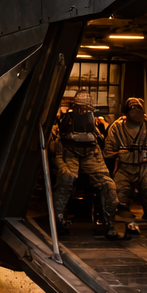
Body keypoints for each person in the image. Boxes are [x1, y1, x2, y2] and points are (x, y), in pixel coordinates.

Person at [50, 91, 120, 239]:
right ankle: (57, 222)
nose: (83, 111)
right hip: (68, 152)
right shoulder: (65, 121)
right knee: (66, 179)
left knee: (109, 185)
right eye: (80, 108)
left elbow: (100, 143)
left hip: (91, 153)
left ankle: (110, 225)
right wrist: (61, 163)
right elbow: (56, 147)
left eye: (86, 108)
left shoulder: (94, 123)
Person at [104, 97, 147, 229]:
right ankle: (121, 221)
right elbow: (108, 151)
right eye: (132, 108)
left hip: (145, 167)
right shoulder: (116, 127)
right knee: (118, 197)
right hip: (123, 168)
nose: (135, 111)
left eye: (138, 108)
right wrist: (121, 153)